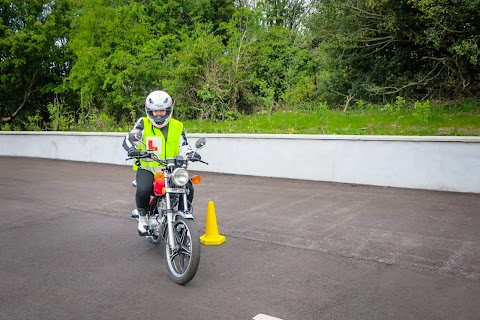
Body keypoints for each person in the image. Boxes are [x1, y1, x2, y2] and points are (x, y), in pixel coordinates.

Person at [123, 90, 197, 235]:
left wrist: (191, 153)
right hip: (148, 168)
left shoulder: (177, 125)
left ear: (168, 110)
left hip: (171, 168)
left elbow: (183, 145)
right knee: (143, 190)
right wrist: (132, 149)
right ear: (149, 111)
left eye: (162, 111)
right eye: (155, 111)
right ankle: (143, 217)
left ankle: (183, 217)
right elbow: (128, 139)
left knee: (188, 187)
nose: (158, 115)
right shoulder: (143, 123)